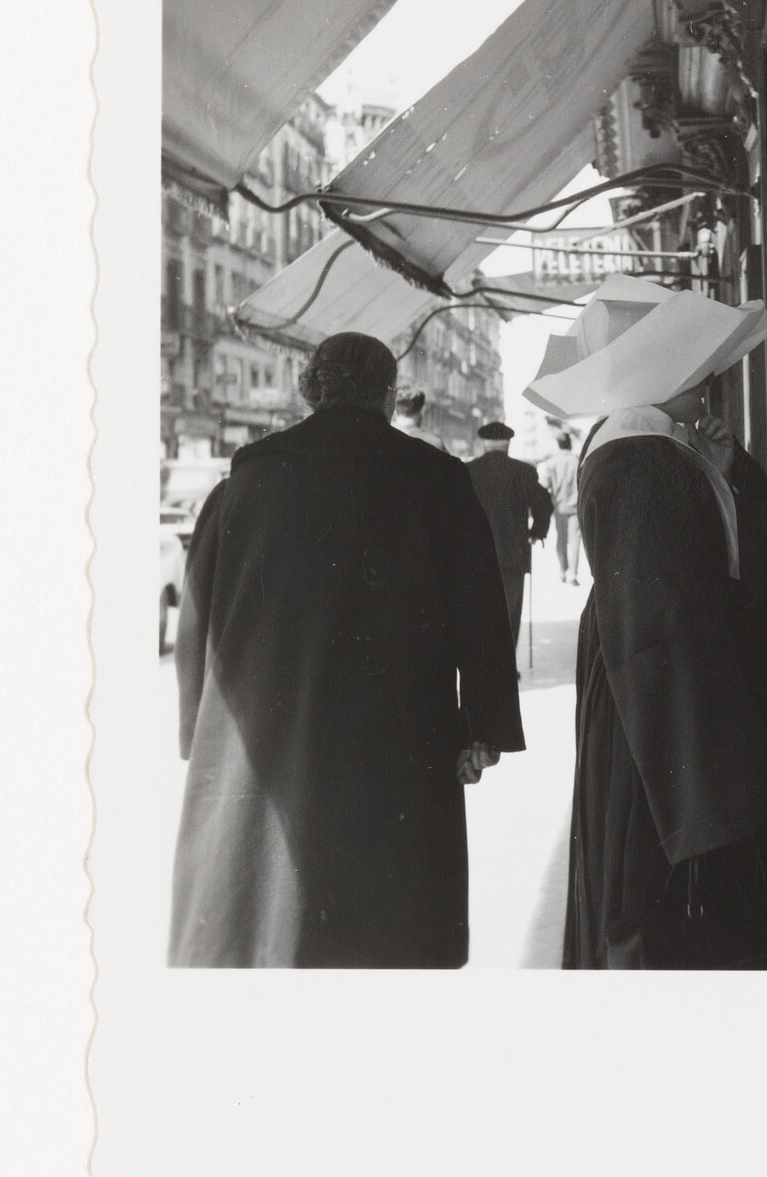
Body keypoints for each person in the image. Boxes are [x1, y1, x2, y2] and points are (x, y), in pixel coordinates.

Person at [521, 273, 767, 970]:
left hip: (669, 711)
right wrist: (710, 792)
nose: (708, 391)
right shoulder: (645, 459)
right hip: (680, 722)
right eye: (699, 375)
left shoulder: (648, 445)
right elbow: (664, 629)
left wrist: (735, 474)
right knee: (699, 904)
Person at [169, 332, 523, 969]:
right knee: (390, 932)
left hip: (270, 745)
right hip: (399, 746)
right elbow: (482, 615)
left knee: (277, 921)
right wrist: (485, 729)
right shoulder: (439, 481)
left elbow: (195, 616)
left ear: (311, 390)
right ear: (388, 396)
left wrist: (198, 732)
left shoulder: (244, 482)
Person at [465, 420, 554, 642]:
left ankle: (483, 662)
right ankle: (507, 666)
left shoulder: (468, 471)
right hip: (513, 552)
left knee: (479, 609)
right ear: (508, 444)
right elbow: (544, 503)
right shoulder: (523, 471)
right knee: (510, 610)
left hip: (475, 554)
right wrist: (537, 532)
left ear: (484, 443)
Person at [543, 431, 583, 584]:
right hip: (575, 506)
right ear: (569, 443)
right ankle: (573, 574)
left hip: (559, 506)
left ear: (558, 444)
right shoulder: (577, 461)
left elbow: (545, 485)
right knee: (575, 540)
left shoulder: (551, 462)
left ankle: (562, 570)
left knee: (561, 539)